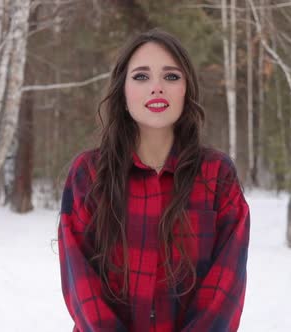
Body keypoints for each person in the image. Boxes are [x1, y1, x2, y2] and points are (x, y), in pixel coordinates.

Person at [58, 28, 250, 332]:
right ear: (122, 90)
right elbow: (82, 287)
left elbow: (226, 288)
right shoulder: (89, 173)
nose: (157, 87)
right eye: (141, 76)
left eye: (171, 77)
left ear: (187, 89)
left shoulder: (217, 174)